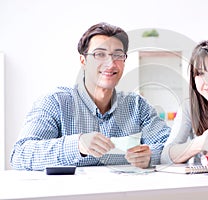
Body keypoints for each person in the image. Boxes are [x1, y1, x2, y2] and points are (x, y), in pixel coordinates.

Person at [10, 22, 170, 171]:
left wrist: (150, 156)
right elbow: (20, 155)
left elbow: (170, 146)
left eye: (118, 55)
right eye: (100, 54)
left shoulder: (137, 106)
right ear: (83, 61)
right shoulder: (56, 102)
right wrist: (78, 145)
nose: (111, 63)